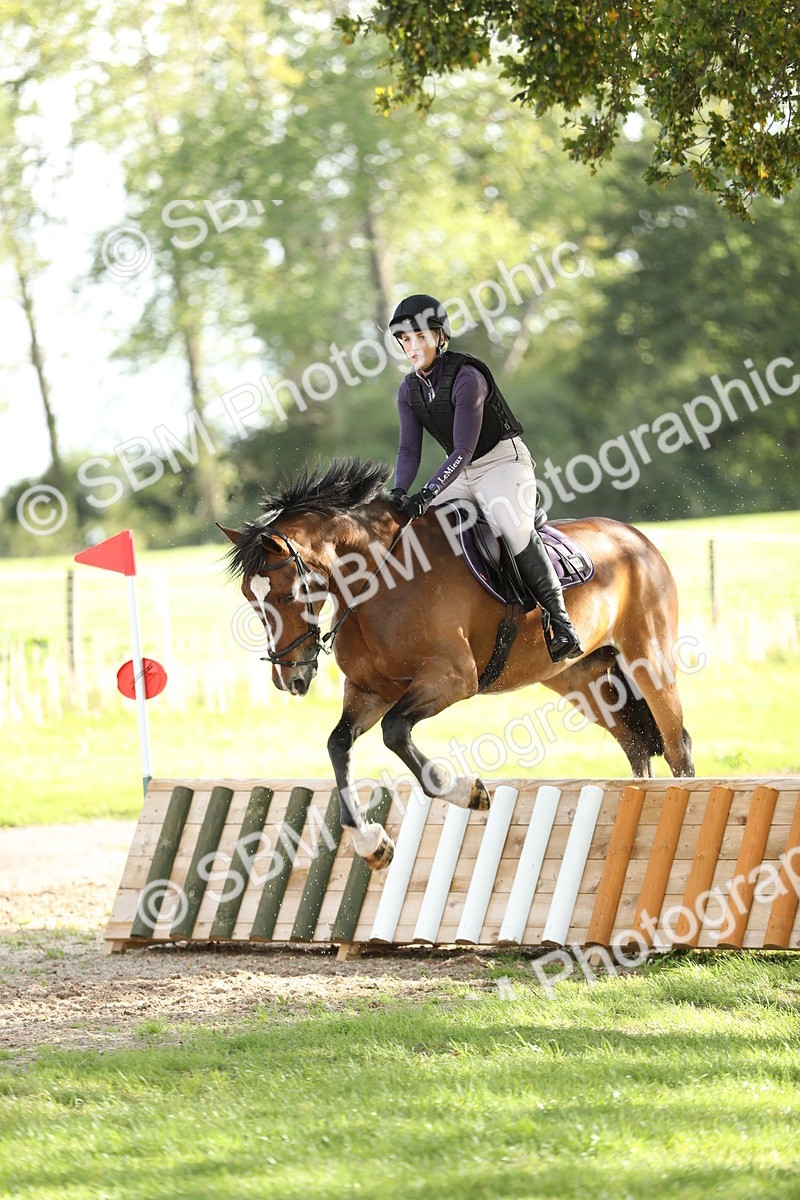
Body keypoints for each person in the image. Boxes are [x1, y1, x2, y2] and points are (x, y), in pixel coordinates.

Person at [387, 292, 583, 663]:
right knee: (416, 526)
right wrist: (399, 492)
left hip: (502, 462)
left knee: (511, 526)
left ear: (440, 337)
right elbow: (409, 451)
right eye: (405, 340)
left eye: (420, 337)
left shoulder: (467, 377)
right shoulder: (408, 390)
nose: (412, 347)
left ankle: (561, 623)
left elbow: (462, 449)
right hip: (461, 472)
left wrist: (427, 491)